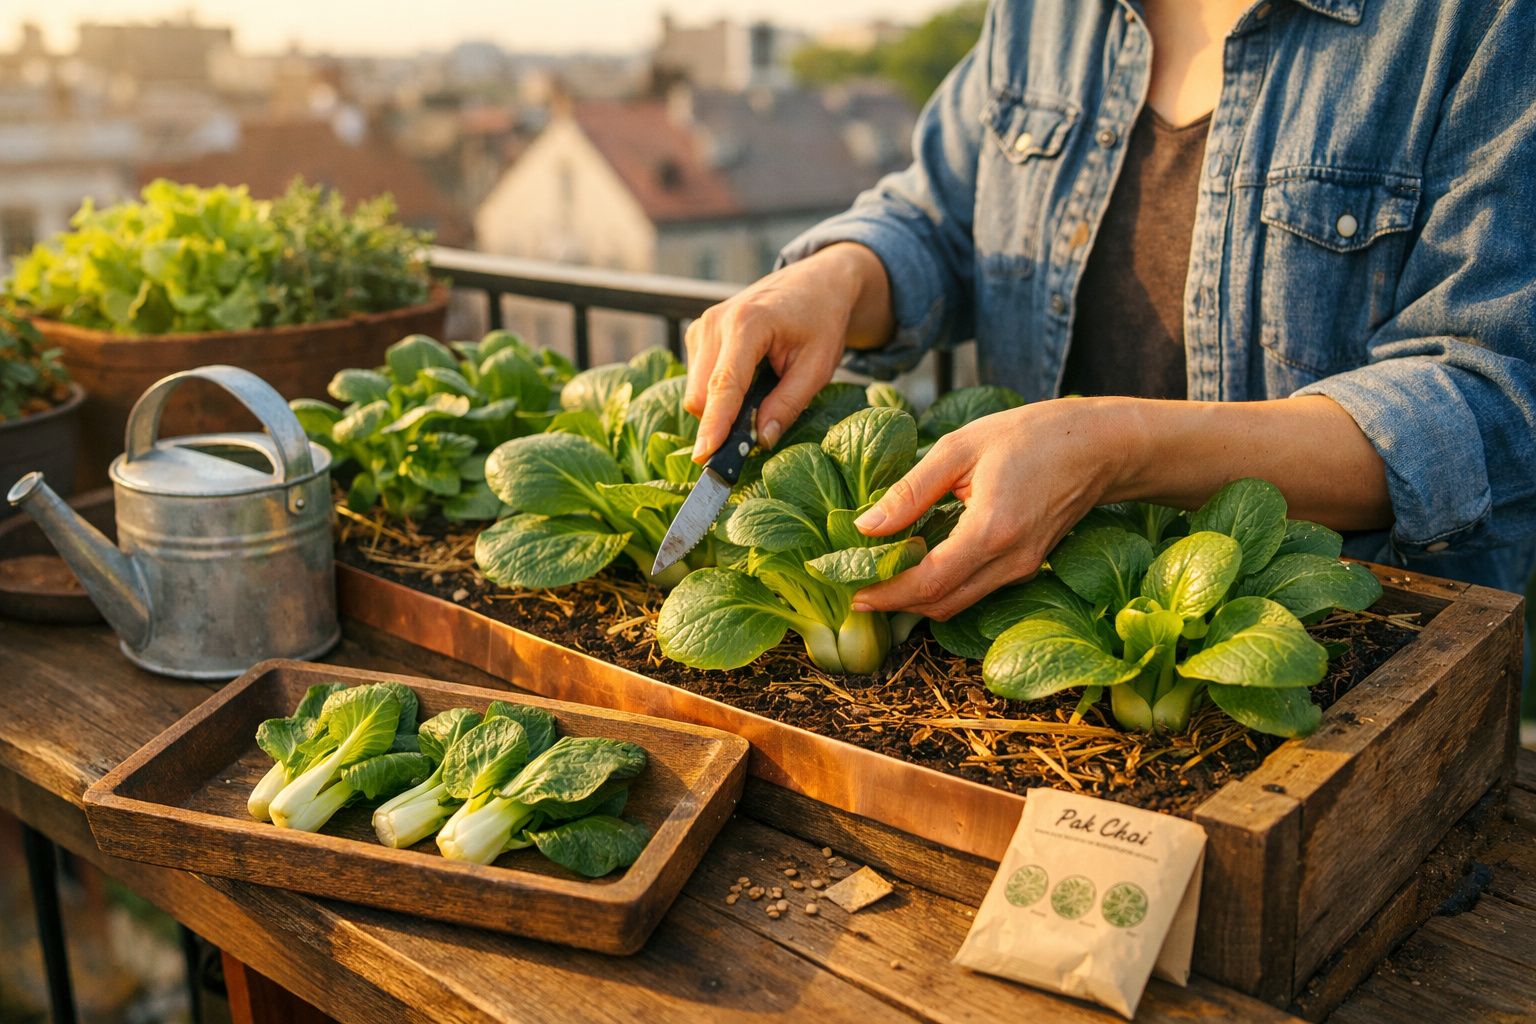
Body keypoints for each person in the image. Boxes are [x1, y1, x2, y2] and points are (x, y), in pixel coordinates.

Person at [682, 0, 1536, 622]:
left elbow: (1493, 399)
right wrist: (834, 277)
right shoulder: (1044, 15)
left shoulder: (1476, 22)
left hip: (1337, 648)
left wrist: (1118, 450)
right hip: (1030, 626)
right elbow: (941, 214)